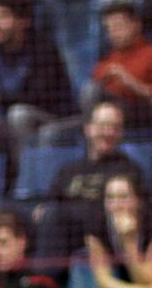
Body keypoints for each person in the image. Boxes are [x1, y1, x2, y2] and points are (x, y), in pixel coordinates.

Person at [0, 0, 75, 153]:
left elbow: (41, 96)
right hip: (6, 119)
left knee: (18, 114)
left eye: (2, 17)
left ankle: (27, 174)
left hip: (52, 117)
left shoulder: (43, 50)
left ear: (23, 21)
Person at [34, 101, 144, 263]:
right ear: (88, 129)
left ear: (121, 133)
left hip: (101, 233)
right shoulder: (68, 170)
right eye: (102, 126)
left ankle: (43, 282)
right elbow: (48, 203)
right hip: (63, 229)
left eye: (115, 127)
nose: (107, 132)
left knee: (54, 218)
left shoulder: (128, 170)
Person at [82, 2, 152, 128]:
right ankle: (94, 130)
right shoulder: (107, 59)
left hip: (140, 113)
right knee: (52, 133)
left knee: (92, 91)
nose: (113, 33)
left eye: (118, 26)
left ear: (136, 25)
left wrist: (131, 83)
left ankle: (95, 132)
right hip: (106, 114)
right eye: (109, 29)